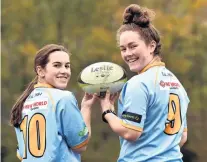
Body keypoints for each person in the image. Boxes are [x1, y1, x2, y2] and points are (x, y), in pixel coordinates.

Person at [99, 4, 189, 162]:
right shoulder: (177, 84)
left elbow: (131, 132)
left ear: (151, 46)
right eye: (123, 49)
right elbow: (181, 137)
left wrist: (107, 112)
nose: (128, 54)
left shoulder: (139, 83)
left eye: (133, 46)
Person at [10, 44, 97, 162]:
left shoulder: (22, 104)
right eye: (57, 65)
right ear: (40, 70)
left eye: (67, 66)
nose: (64, 71)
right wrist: (86, 108)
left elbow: (21, 154)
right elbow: (80, 145)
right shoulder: (64, 98)